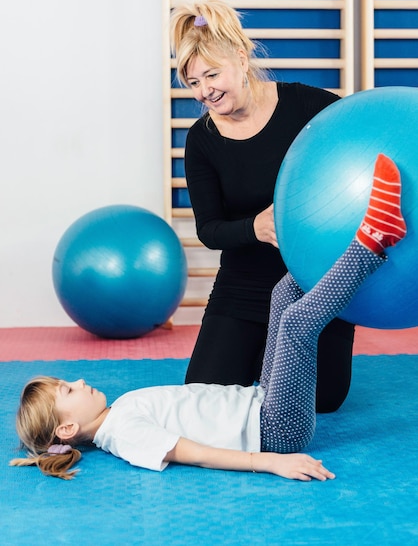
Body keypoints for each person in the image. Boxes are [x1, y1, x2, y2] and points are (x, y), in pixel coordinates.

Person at [10, 154, 406, 481]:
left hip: (261, 400)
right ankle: (372, 241)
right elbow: (194, 454)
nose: (78, 381)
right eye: (68, 390)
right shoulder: (124, 434)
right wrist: (270, 461)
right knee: (296, 326)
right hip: (276, 430)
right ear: (67, 430)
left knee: (283, 294)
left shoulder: (119, 412)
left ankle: (335, 246)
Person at [170, 0, 357, 411]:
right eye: (193, 82)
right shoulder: (201, 141)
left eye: (211, 76)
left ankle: (271, 356)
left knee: (323, 400)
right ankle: (260, 353)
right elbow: (209, 230)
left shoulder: (308, 107)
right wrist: (255, 227)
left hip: (313, 284)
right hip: (244, 285)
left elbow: (360, 150)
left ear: (240, 58)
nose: (204, 92)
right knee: (205, 395)